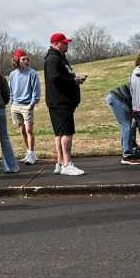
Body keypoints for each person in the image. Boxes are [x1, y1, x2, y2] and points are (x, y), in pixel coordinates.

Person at [44, 31, 86, 176]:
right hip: (60, 102)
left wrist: (75, 78)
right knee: (66, 133)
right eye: (64, 42)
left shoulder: (60, 58)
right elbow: (55, 78)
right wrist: (73, 80)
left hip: (61, 101)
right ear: (56, 44)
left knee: (59, 133)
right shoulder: (52, 59)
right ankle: (67, 164)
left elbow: (63, 76)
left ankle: (60, 162)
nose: (67, 45)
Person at [8, 48, 41, 165]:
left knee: (29, 130)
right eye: (23, 59)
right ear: (17, 60)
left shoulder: (32, 73)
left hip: (27, 105)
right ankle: (28, 152)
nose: (26, 61)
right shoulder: (12, 75)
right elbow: (10, 90)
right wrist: (11, 102)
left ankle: (32, 154)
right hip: (15, 105)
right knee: (22, 130)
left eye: (27, 59)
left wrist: (33, 103)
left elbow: (36, 90)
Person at [106, 82, 140, 164]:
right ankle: (127, 156)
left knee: (128, 126)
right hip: (118, 99)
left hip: (116, 97)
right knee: (126, 127)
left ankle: (130, 148)